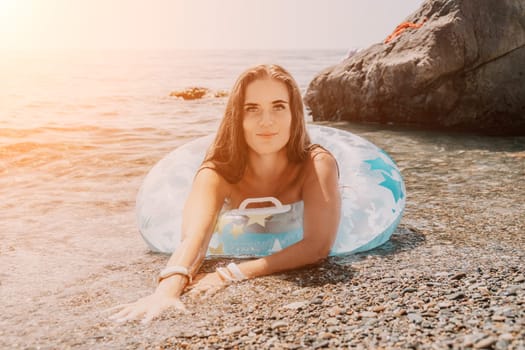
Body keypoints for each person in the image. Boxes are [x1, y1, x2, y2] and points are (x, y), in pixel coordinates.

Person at [109, 64, 341, 323]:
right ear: (237, 118)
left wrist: (228, 274)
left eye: (278, 106)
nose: (267, 121)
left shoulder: (317, 164)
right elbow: (194, 239)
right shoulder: (217, 172)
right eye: (252, 109)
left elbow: (317, 245)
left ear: (294, 114)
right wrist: (166, 291)